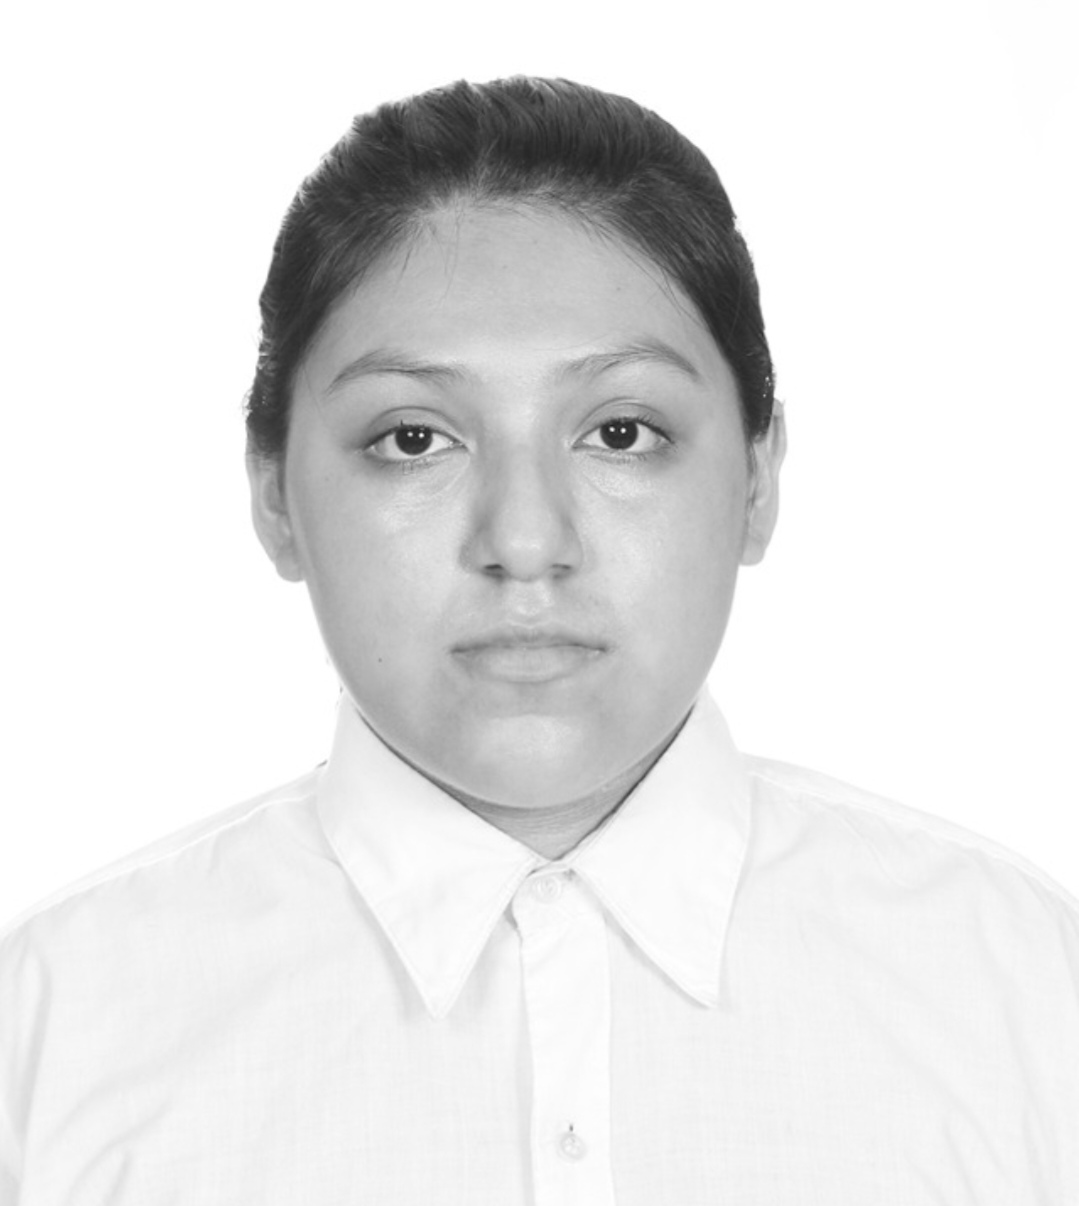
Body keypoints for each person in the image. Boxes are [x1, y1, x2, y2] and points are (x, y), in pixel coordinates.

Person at [1, 76, 1076, 1204]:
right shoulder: (53, 1036)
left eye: (622, 432)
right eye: (412, 439)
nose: (523, 542)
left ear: (757, 478)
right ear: (274, 495)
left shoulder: (1021, 995)